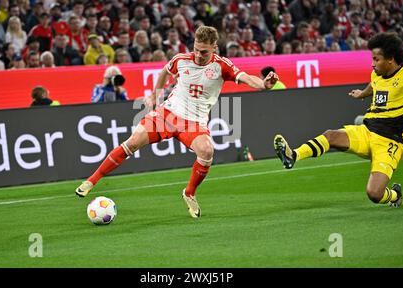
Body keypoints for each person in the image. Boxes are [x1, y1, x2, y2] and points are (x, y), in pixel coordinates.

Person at [76, 25, 279, 218]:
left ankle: (189, 193)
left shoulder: (221, 65)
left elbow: (246, 78)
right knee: (133, 142)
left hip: (194, 122)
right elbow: (165, 71)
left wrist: (263, 84)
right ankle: (91, 181)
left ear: (214, 48)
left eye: (204, 52)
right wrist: (155, 96)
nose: (199, 55)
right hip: (168, 114)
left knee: (207, 151)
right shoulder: (181, 59)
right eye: (197, 49)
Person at [273, 32, 403, 208]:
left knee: (374, 194)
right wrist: (363, 93)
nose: (372, 63)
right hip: (367, 131)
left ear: (390, 59)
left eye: (376, 59)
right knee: (330, 135)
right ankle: (293, 155)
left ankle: (394, 195)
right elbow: (374, 85)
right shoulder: (376, 75)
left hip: (389, 141)